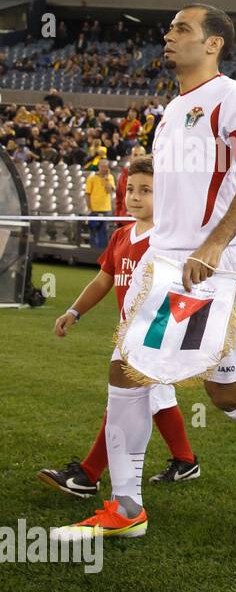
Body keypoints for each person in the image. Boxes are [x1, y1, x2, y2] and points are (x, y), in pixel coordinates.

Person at [52, 3, 236, 542]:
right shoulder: (173, 110)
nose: (168, 36)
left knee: (227, 393)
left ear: (214, 43)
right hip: (165, 262)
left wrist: (214, 244)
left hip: (214, 264)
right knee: (126, 371)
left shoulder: (233, 98)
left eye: (182, 29)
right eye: (170, 28)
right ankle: (127, 505)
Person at [39, 156, 200, 497]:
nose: (136, 196)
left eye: (147, 190)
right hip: (130, 332)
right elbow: (103, 280)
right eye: (131, 189)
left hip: (153, 332)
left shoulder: (169, 239)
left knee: (123, 402)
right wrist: (74, 311)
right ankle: (185, 461)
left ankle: (88, 474)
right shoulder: (121, 236)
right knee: (155, 397)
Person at [84, 159, 115, 248]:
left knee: (104, 232)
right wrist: (89, 208)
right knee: (93, 232)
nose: (104, 169)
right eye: (102, 166)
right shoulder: (91, 178)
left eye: (106, 167)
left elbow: (109, 190)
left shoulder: (110, 177)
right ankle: (93, 251)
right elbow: (87, 194)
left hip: (106, 210)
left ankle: (103, 252)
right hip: (94, 210)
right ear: (99, 167)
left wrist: (106, 179)